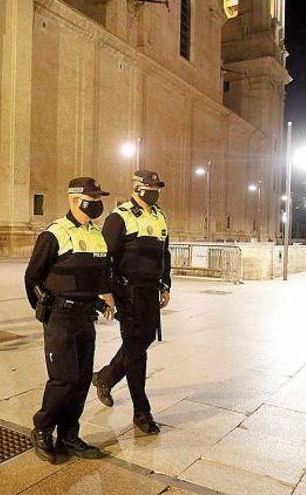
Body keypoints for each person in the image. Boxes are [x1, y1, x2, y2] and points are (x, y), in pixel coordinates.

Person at [24, 177, 116, 464]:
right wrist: (45, 314)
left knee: (80, 380)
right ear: (74, 199)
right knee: (63, 378)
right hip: (60, 316)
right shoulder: (55, 234)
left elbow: (96, 274)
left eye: (99, 196)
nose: (97, 202)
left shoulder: (96, 234)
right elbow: (32, 277)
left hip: (84, 316)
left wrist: (101, 300)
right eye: (92, 197)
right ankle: (42, 427)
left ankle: (69, 434)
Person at [91, 170, 171, 435]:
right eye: (151, 187)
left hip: (150, 291)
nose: (155, 190)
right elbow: (104, 257)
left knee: (140, 342)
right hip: (128, 292)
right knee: (137, 348)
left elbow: (164, 253)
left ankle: (106, 377)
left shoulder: (159, 215)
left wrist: (166, 284)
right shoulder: (120, 217)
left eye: (157, 187)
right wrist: (106, 292)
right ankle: (142, 411)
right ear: (137, 188)